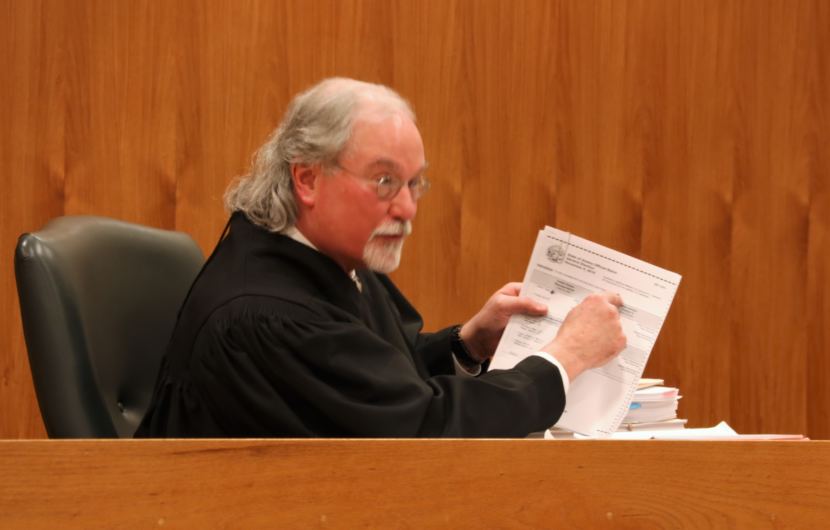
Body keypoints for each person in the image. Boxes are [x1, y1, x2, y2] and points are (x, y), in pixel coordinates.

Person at [135, 78, 626, 438]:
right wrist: (565, 359)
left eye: (414, 183)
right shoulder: (269, 313)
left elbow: (375, 379)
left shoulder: (323, 258)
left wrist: (467, 343)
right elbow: (420, 431)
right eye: (385, 181)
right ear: (307, 179)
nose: (407, 208)